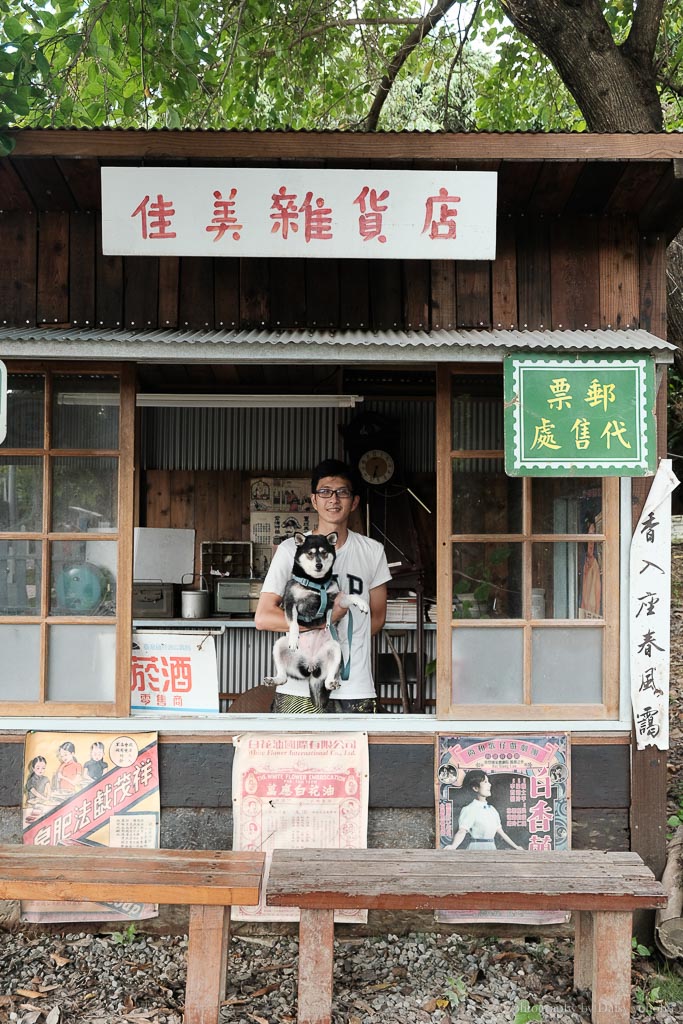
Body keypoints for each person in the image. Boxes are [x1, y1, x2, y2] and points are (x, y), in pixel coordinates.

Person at [255, 458, 391, 713]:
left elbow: (377, 617)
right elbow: (263, 617)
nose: (334, 499)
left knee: (356, 753)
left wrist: (338, 644)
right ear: (314, 500)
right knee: (295, 752)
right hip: (299, 687)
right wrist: (320, 624)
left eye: (342, 492)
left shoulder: (373, 552)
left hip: (355, 686)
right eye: (325, 492)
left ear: (354, 502)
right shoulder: (289, 551)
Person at [448, 769, 523, 850]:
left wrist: (516, 847)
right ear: (475, 788)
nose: (489, 785)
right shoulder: (469, 809)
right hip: (476, 849)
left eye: (488, 782)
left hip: (492, 848)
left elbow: (501, 833)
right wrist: (453, 846)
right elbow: (462, 831)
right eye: (485, 782)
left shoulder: (492, 810)